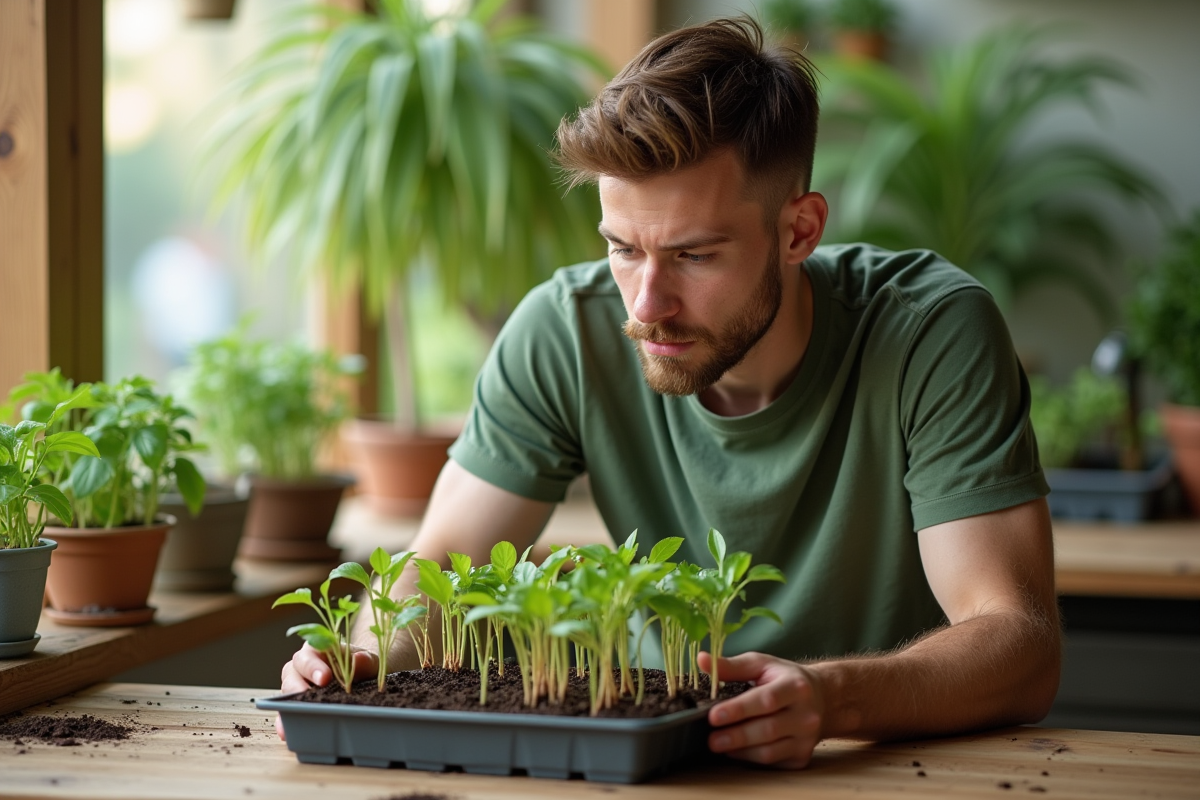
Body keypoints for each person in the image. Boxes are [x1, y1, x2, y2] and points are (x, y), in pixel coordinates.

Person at [280, 17, 1060, 768]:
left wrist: (830, 698)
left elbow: (1018, 642)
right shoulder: (565, 331)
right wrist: (360, 655)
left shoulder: (929, 332)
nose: (645, 304)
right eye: (622, 248)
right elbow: (445, 561)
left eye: (693, 254)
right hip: (660, 762)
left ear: (799, 231)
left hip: (893, 770)